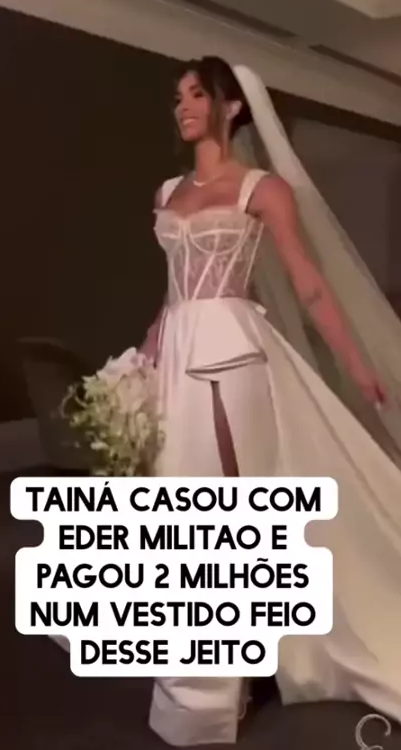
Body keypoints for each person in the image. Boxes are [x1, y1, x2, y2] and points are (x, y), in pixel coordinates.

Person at [140, 56, 401, 747]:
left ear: (230, 108)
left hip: (233, 357)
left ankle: (222, 684)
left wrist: (357, 363)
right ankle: (200, 677)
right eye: (178, 96)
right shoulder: (167, 190)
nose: (183, 106)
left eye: (197, 94)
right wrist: (141, 361)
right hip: (176, 355)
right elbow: (173, 291)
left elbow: (308, 283)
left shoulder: (263, 188)